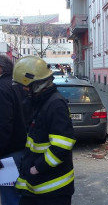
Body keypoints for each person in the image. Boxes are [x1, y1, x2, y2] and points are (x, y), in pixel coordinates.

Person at [12, 56, 76, 205]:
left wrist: (37, 168)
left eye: (26, 85)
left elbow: (62, 145)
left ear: (38, 84)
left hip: (52, 189)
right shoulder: (40, 102)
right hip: (38, 186)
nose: (24, 89)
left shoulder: (55, 105)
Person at [0, 55, 27, 205]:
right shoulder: (18, 85)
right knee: (20, 194)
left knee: (9, 196)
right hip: (22, 148)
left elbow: (3, 124)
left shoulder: (1, 88)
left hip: (6, 156)